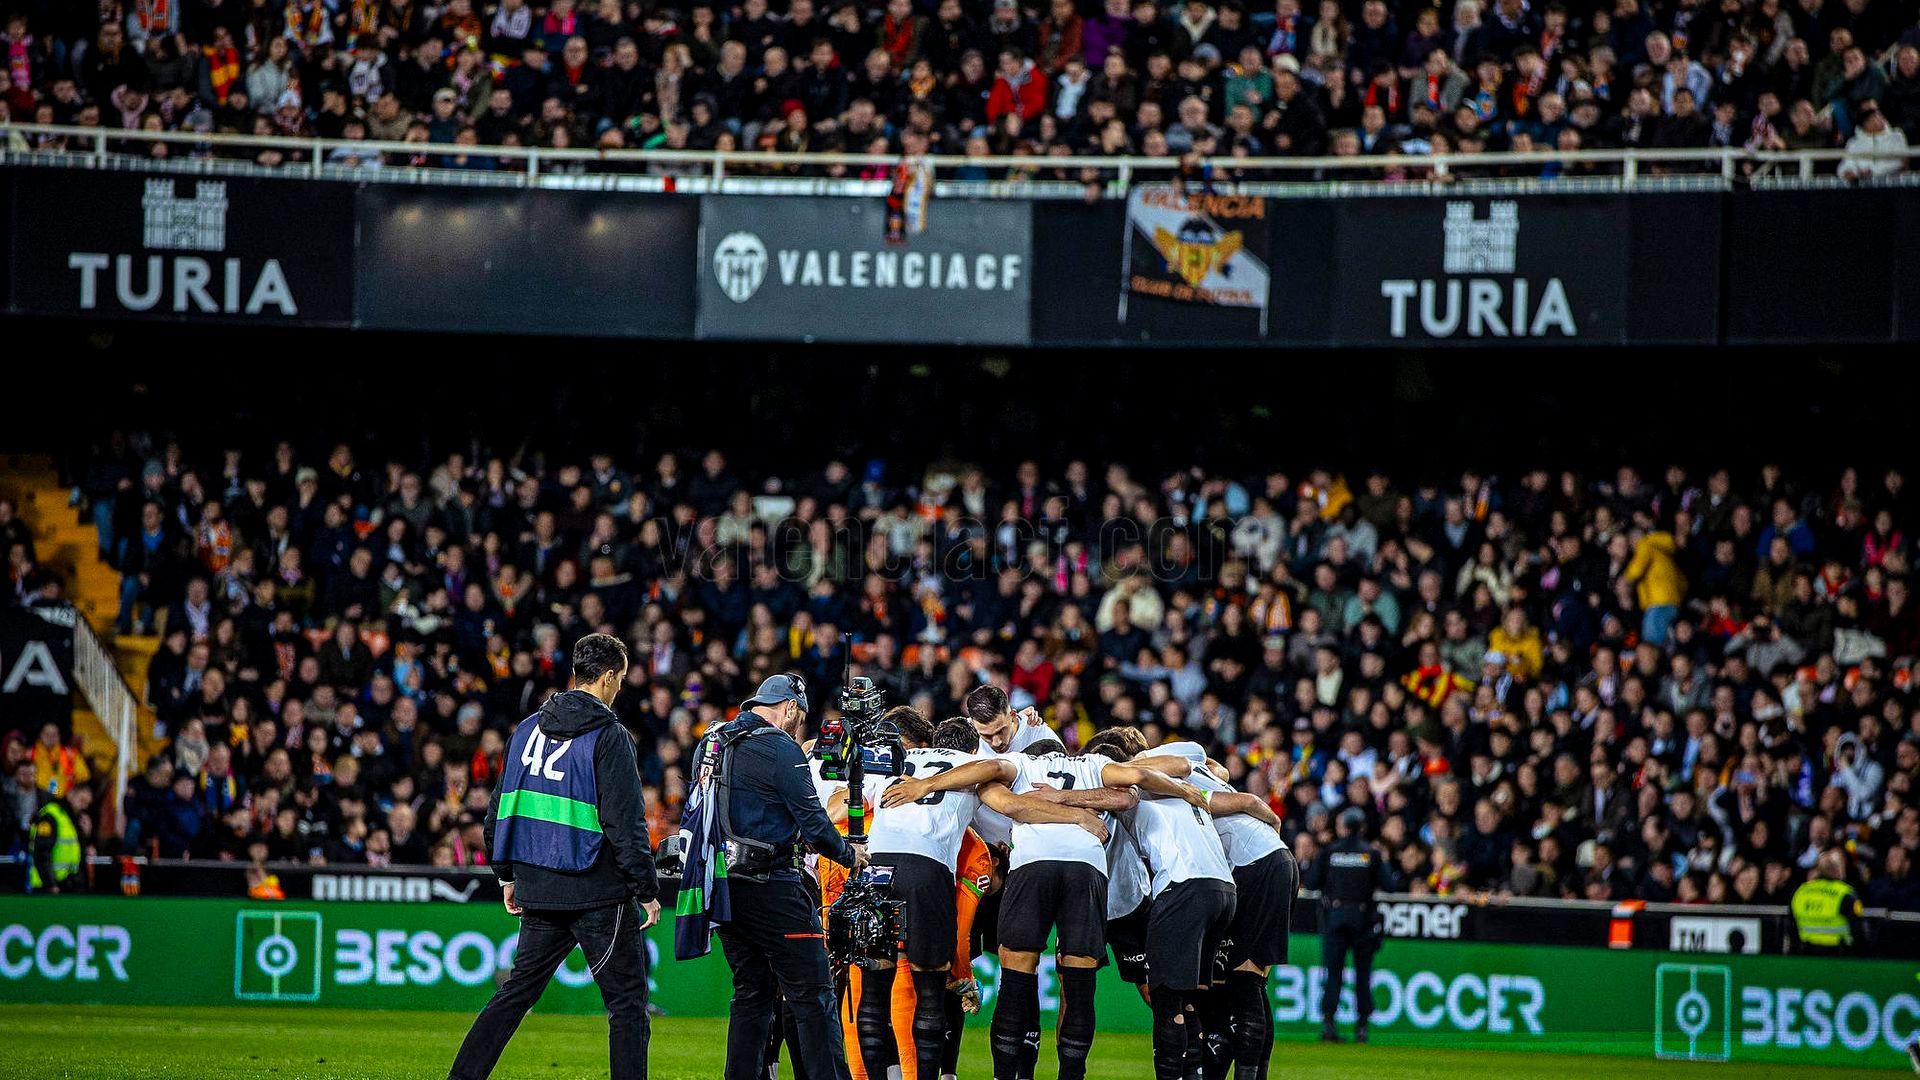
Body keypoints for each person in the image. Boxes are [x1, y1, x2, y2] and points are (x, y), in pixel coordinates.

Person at [887, 734, 1201, 1080]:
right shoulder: (1094, 765)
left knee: (1016, 981)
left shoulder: (1022, 763)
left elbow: (993, 774)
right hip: (1086, 869)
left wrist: (925, 785)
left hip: (1033, 867)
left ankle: (1005, 1076)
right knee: (1080, 989)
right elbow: (1137, 781)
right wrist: (1182, 790)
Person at [449, 633, 661, 1080]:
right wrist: (646, 889)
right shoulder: (610, 735)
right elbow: (625, 823)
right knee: (627, 1005)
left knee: (516, 994)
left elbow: (499, 809)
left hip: (539, 886)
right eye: (619, 679)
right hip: (596, 890)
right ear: (606, 678)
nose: (619, 688)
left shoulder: (527, 729)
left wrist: (506, 874)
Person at [857, 709, 1107, 1080]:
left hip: (875, 867)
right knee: (931, 988)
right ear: (974, 748)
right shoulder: (975, 770)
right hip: (927, 871)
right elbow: (1012, 808)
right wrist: (1078, 817)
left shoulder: (899, 761)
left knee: (874, 988)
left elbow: (842, 805)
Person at [713, 673, 865, 1080]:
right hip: (772, 888)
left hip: (722, 888)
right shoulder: (780, 747)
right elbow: (815, 825)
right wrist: (850, 854)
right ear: (791, 708)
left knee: (751, 993)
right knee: (813, 994)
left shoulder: (713, 742)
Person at [1137, 732, 1297, 1080]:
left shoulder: (1151, 773)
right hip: (1273, 858)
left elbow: (1211, 786)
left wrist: (1249, 802)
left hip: (1250, 863)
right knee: (1246, 983)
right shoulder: (1190, 766)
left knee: (1241, 983)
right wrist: (1252, 805)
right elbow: (1217, 769)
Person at [1081, 730, 1234, 1080]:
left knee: (1166, 1000)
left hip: (1184, 885)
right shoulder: (1174, 778)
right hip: (1223, 889)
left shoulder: (1132, 784)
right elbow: (1197, 762)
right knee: (1191, 997)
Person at [1305, 806, 1390, 1043]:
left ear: (1343, 827)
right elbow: (1389, 885)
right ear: (1362, 828)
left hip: (1335, 918)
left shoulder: (1330, 852)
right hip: (1363, 920)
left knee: (1333, 974)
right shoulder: (1371, 853)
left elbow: (1311, 883)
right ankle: (1362, 1027)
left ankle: (1328, 1025)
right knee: (1363, 976)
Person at [1790, 848, 1863, 953]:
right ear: (1837, 869)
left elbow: (1791, 926)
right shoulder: (1844, 892)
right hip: (1839, 954)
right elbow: (1859, 929)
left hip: (1806, 953)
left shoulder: (1801, 891)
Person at [29, 781, 91, 893]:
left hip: (67, 885)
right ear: (70, 794)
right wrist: (50, 884)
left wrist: (85, 835)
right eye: (81, 800)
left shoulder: (70, 817)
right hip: (48, 887)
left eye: (87, 803)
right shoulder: (51, 815)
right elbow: (42, 853)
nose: (84, 806)